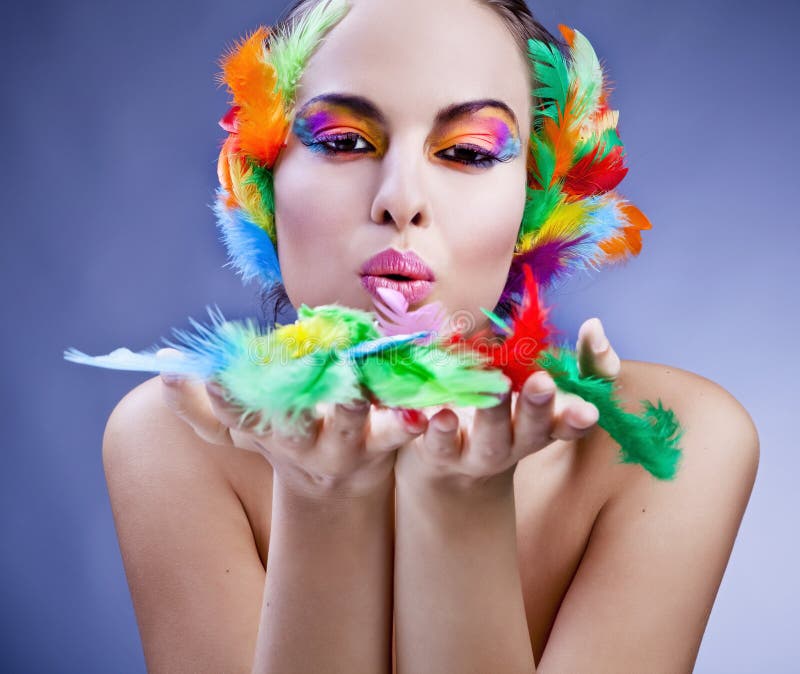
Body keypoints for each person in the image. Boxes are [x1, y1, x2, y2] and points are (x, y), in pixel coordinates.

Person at [101, 0, 760, 671]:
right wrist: (319, 498)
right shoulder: (172, 434)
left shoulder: (673, 439)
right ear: (260, 181)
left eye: (468, 152)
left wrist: (461, 504)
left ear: (535, 203)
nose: (402, 198)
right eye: (343, 141)